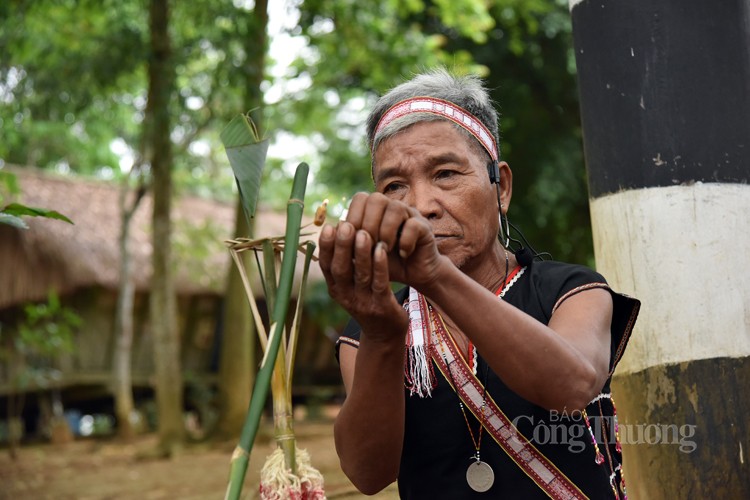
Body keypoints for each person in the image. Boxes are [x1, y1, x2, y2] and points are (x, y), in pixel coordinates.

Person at [318, 68, 639, 499]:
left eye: (446, 174)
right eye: (394, 185)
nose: (421, 206)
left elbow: (573, 387)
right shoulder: (376, 328)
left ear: (500, 187)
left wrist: (434, 274)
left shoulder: (569, 290)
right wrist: (381, 333)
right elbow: (367, 473)